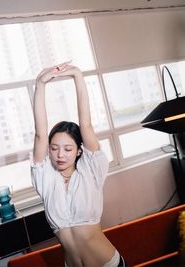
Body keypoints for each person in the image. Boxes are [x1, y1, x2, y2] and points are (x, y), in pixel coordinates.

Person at [31, 62, 126, 267]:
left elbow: (86, 125)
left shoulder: (91, 171)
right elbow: (40, 134)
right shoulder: (46, 180)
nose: (60, 155)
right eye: (54, 148)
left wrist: (77, 76)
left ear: (79, 151)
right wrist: (40, 84)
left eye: (67, 149)